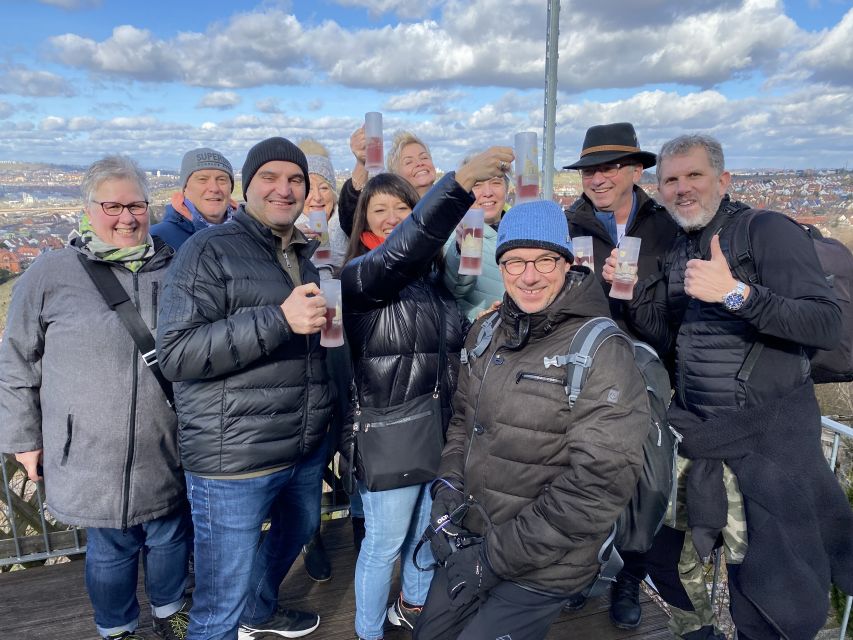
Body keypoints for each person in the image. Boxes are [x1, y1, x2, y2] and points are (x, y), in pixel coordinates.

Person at [611, 134, 853, 640]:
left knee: (769, 590)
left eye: (693, 175)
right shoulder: (682, 248)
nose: (681, 188)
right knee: (662, 553)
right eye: (671, 179)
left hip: (769, 442)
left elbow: (826, 324)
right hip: (698, 433)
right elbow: (675, 344)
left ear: (723, 180)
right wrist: (629, 297)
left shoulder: (767, 230)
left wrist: (738, 294)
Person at [412, 199, 650, 640]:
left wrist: (494, 557)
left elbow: (598, 483)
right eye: (515, 261)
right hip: (474, 533)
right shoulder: (486, 332)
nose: (529, 275)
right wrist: (446, 492)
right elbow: (464, 423)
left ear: (566, 263)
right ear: (501, 266)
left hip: (545, 564)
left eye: (544, 260)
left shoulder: (600, 350)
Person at [0, 156, 190, 640]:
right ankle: (118, 628)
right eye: (113, 206)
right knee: (110, 548)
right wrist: (23, 438)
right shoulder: (51, 272)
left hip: (165, 441)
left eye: (136, 205)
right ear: (88, 209)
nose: (127, 217)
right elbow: (18, 357)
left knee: (170, 536)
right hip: (88, 450)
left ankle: (170, 612)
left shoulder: (175, 267)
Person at [156, 137, 334, 640]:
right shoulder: (208, 250)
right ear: (247, 187)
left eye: (295, 179)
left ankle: (259, 609)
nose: (284, 189)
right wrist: (278, 320)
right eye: (269, 178)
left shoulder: (303, 254)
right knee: (219, 605)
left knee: (299, 529)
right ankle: (241, 612)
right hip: (232, 459)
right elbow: (177, 353)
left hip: (300, 446)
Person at [339, 146, 513, 640]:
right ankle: (368, 632)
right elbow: (401, 251)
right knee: (383, 544)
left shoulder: (432, 283)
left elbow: (441, 349)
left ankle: (412, 606)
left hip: (436, 427)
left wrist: (476, 325)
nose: (393, 218)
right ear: (363, 220)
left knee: (423, 534)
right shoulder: (362, 277)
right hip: (390, 433)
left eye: (403, 208)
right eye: (381, 209)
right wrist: (460, 182)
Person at [562, 122, 679, 627]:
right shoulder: (568, 224)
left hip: (647, 372)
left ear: (635, 170)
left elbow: (675, 319)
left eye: (610, 167)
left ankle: (630, 576)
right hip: (584, 371)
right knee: (578, 474)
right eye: (590, 169)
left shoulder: (666, 228)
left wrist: (628, 299)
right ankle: (577, 571)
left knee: (646, 481)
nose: (598, 178)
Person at [442, 157, 510, 321]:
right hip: (482, 332)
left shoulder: (522, 229)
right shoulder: (454, 234)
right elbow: (456, 287)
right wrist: (462, 248)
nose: (487, 193)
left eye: (496, 182)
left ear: (507, 189)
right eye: (477, 185)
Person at [338, 127, 438, 237]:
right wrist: (362, 163)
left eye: (424, 157)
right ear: (396, 176)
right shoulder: (392, 217)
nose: (419, 163)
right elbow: (352, 222)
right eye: (409, 162)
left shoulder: (450, 200)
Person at [150, 147, 236, 249]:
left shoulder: (249, 231)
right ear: (185, 188)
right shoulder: (156, 240)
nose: (214, 188)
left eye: (221, 179)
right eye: (202, 179)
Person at [294, 139, 349, 270]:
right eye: (309, 189)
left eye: (324, 188)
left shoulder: (349, 224)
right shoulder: (286, 229)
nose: (317, 197)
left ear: (333, 192)